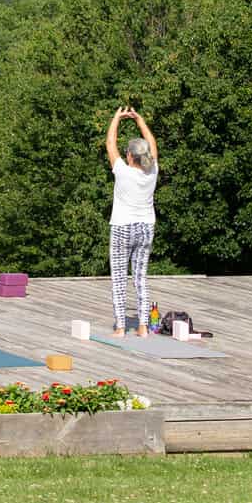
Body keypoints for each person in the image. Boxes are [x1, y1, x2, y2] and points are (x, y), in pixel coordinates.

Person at [104, 106, 159, 337]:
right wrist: (140, 120)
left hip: (122, 227)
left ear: (129, 156)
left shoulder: (123, 171)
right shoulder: (153, 169)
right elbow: (152, 143)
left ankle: (120, 327)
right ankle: (144, 326)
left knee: (119, 277)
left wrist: (116, 118)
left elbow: (109, 144)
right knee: (140, 277)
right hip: (146, 227)